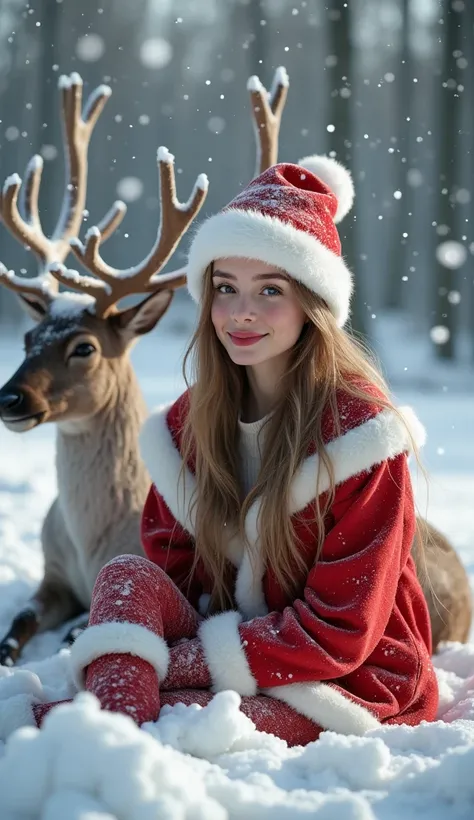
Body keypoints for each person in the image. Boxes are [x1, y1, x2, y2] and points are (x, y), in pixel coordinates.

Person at [33, 155, 438, 746]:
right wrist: (172, 653)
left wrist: (172, 664)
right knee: (125, 577)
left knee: (185, 717)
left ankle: (92, 737)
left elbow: (341, 632)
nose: (241, 312)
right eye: (226, 289)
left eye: (269, 290)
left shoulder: (361, 438)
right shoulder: (185, 428)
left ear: (312, 305)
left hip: (346, 677)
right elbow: (167, 575)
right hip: (228, 643)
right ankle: (109, 733)